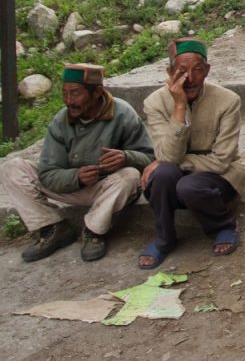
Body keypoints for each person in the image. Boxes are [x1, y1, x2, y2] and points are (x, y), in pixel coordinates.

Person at [0, 63, 153, 263]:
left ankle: (93, 231)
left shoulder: (123, 113)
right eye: (65, 94)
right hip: (69, 185)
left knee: (130, 176)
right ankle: (52, 227)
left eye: (75, 94)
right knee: (13, 167)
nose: (69, 101)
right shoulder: (61, 121)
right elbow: (47, 173)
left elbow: (150, 158)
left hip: (107, 190)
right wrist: (76, 177)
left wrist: (126, 157)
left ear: (97, 91)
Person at [138, 38, 245, 269]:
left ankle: (223, 226)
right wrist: (179, 107)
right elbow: (167, 158)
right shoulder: (155, 102)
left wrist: (174, 162)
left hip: (219, 176)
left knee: (185, 184)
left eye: (197, 69)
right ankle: (164, 239)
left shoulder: (228, 101)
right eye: (181, 71)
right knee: (163, 175)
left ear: (207, 71)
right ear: (169, 73)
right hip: (176, 171)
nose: (190, 78)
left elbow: (221, 160)